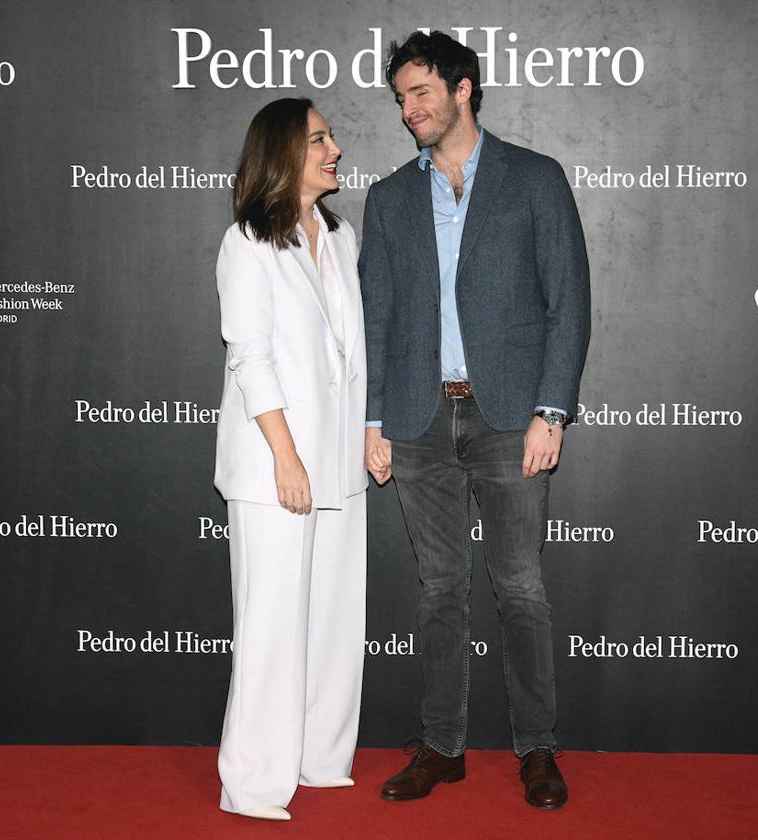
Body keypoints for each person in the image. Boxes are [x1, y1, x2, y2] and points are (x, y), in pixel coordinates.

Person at [360, 31, 590, 810]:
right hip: (419, 420)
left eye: (420, 92)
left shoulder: (535, 179)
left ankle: (536, 749)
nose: (408, 110)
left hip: (509, 418)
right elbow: (378, 321)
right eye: (399, 98)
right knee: (439, 590)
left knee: (521, 587)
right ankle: (443, 746)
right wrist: (374, 420)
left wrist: (549, 411)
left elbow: (569, 306)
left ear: (464, 89)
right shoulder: (390, 198)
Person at [213, 97, 367, 822]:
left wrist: (368, 430)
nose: (334, 147)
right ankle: (253, 782)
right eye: (318, 139)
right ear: (281, 153)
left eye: (331, 136)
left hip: (337, 457)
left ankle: (319, 757)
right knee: (273, 622)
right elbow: (251, 355)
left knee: (334, 613)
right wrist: (286, 455)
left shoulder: (342, 238)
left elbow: (347, 353)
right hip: (278, 463)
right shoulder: (246, 242)